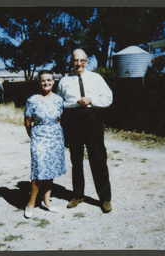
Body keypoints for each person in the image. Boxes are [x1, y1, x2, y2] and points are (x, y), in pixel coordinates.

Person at [57, 49, 113, 213]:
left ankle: (105, 199)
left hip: (92, 117)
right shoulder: (64, 81)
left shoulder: (96, 78)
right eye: (75, 60)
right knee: (76, 159)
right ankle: (78, 195)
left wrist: (91, 100)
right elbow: (60, 102)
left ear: (87, 61)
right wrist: (73, 103)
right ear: (71, 61)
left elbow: (108, 98)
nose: (79, 64)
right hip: (73, 120)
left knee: (98, 158)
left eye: (82, 60)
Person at [24, 70, 66, 219]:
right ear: (39, 83)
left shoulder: (59, 100)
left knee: (51, 169)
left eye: (49, 80)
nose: (46, 83)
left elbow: (59, 119)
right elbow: (27, 122)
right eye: (43, 81)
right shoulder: (32, 100)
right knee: (39, 171)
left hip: (55, 138)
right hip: (39, 138)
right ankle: (31, 203)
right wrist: (35, 137)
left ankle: (46, 202)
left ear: (54, 82)